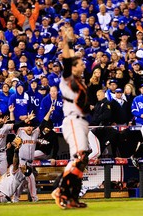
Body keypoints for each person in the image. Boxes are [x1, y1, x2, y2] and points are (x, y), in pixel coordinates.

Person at [52, 26, 89, 209]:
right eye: (80, 64)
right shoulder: (67, 78)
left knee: (83, 160)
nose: (83, 65)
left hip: (80, 121)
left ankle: (72, 197)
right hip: (73, 120)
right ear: (74, 68)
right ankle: (60, 191)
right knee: (79, 157)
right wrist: (66, 42)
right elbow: (67, 61)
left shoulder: (79, 81)